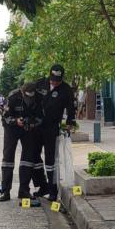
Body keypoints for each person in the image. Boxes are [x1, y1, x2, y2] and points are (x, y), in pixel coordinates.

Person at [32, 64, 76, 202]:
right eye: (52, 79)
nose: (54, 82)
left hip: (51, 127)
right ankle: (42, 185)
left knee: (51, 160)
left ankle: (52, 189)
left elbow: (71, 109)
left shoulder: (66, 89)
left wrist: (70, 123)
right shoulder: (40, 84)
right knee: (33, 156)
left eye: (57, 80)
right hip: (36, 126)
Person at [0, 83, 44, 203]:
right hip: (11, 128)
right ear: (22, 93)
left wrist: (32, 123)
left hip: (28, 129)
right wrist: (15, 121)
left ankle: (23, 190)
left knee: (27, 159)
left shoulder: (38, 97)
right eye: (27, 96)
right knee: (8, 159)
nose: (29, 99)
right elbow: (5, 116)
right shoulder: (13, 96)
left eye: (31, 97)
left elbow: (40, 117)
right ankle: (5, 191)